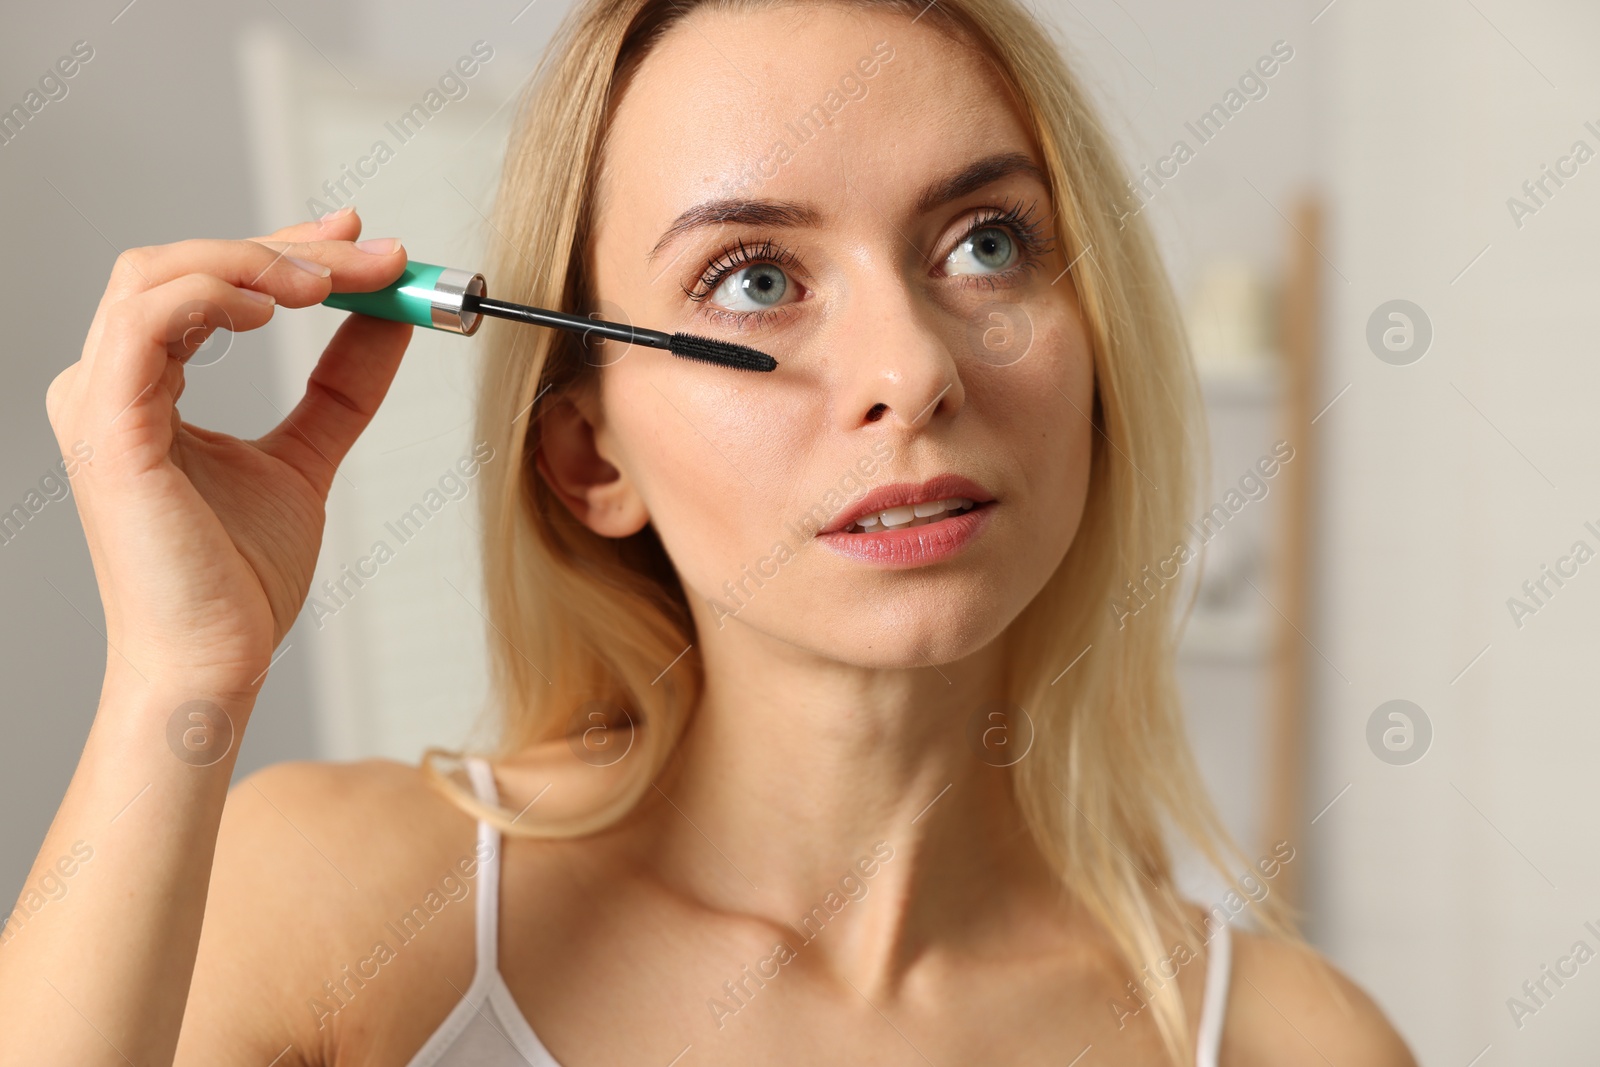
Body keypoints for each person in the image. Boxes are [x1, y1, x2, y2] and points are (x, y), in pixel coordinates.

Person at [1, 0, 1417, 1064]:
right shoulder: (334, 908)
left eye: (986, 241)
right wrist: (178, 681)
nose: (911, 369)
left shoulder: (1291, 1043)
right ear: (588, 456)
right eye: (754, 278)